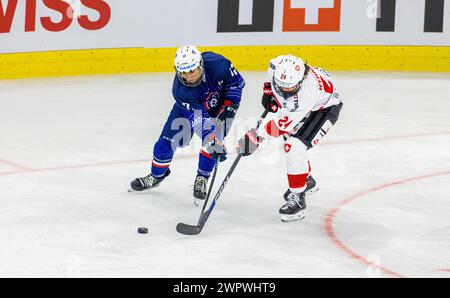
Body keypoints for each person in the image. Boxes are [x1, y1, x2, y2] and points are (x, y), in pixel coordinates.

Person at [236, 54, 343, 222]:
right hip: (307, 104)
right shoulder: (275, 66)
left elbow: (278, 126)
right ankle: (306, 180)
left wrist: (255, 139)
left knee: (294, 146)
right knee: (290, 143)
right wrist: (268, 92)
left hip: (325, 109)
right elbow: (269, 78)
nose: (284, 90)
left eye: (289, 88)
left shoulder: (304, 95)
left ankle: (298, 198)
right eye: (281, 86)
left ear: (300, 81)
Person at [130, 45, 245, 200]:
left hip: (222, 107)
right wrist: (211, 139)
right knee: (164, 145)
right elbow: (199, 119)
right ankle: (156, 176)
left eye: (192, 70)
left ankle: (202, 178)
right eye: (183, 72)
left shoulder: (219, 64)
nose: (188, 76)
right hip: (190, 110)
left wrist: (230, 105)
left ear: (200, 65)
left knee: (211, 145)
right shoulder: (180, 90)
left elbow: (236, 83)